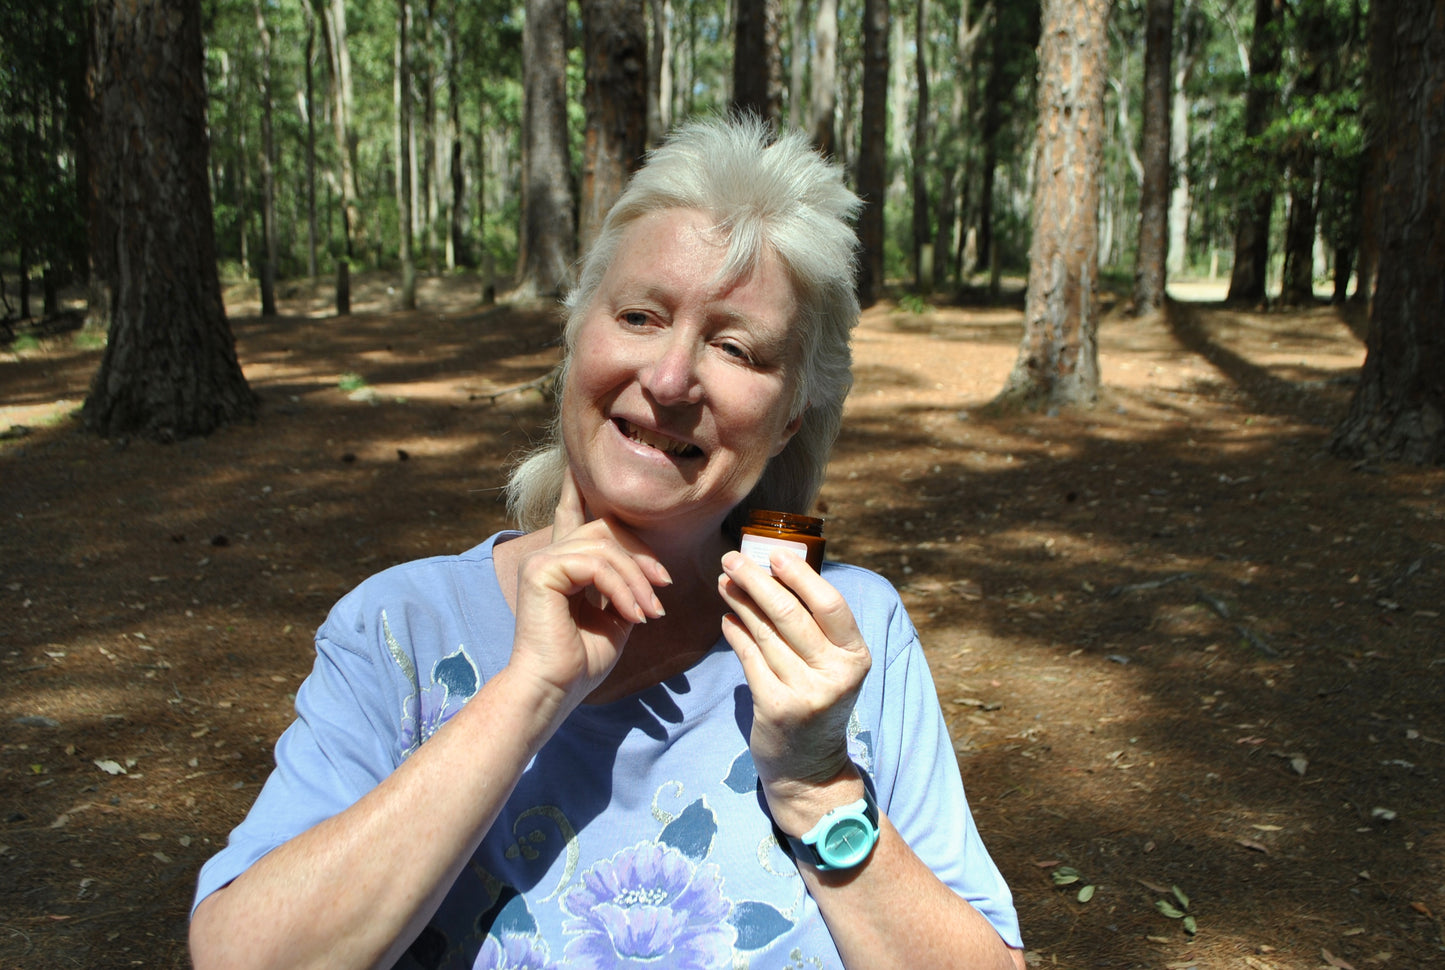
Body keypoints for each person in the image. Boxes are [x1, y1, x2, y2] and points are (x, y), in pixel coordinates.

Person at [189, 115, 1026, 970]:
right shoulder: (402, 631)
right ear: (574, 335)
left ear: (787, 422)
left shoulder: (844, 638)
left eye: (734, 346)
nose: (668, 380)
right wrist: (531, 691)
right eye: (638, 315)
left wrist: (817, 787)